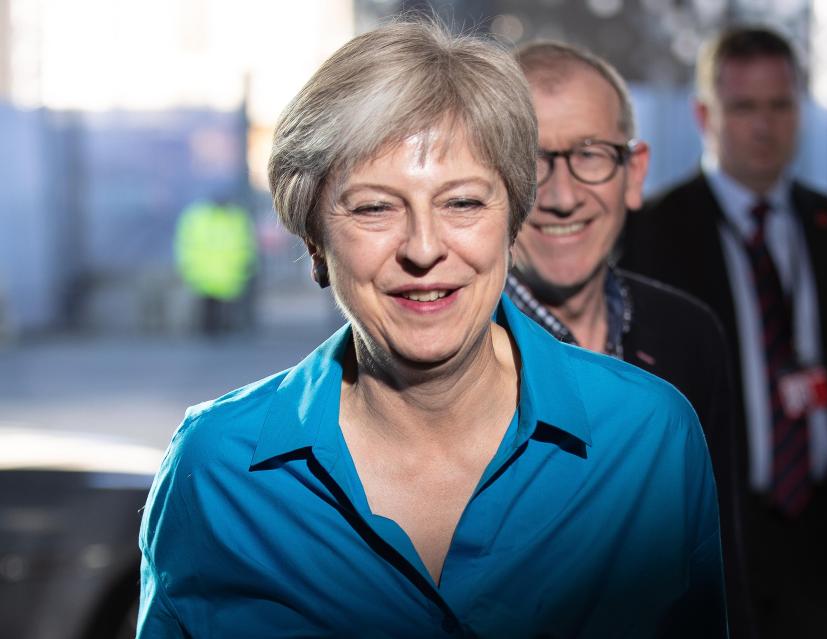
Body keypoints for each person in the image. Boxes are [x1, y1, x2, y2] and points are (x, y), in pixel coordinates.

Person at [138, 20, 727, 638]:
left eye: (463, 203)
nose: (423, 248)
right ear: (315, 240)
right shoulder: (215, 470)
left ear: (511, 221)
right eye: (374, 207)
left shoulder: (649, 438)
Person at [619, 25, 827, 639]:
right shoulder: (650, 235)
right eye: (743, 106)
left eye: (780, 105)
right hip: (708, 530)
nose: (764, 125)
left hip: (814, 530)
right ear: (704, 114)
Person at [510, 41, 753, 637]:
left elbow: (719, 568)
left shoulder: (691, 336)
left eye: (591, 154)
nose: (562, 195)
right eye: (530, 160)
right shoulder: (448, 356)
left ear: (635, 173)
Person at [174, 197, 257, 335]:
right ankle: (219, 330)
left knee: (215, 312)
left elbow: (247, 245)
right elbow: (247, 245)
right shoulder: (237, 218)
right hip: (225, 274)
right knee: (218, 311)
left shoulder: (198, 217)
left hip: (214, 274)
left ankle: (215, 330)